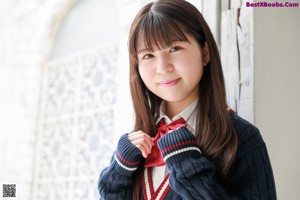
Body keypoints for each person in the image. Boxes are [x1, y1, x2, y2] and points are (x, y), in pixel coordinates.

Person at [98, 0, 277, 199]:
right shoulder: (136, 145)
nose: (163, 67)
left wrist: (189, 170)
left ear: (205, 52)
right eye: (148, 55)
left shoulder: (241, 138)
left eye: (174, 48)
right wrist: (120, 170)